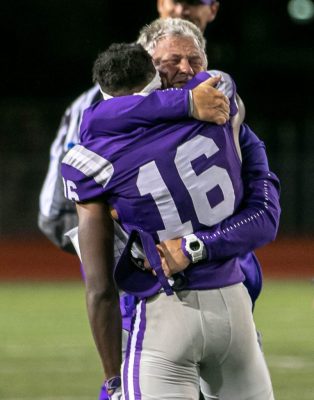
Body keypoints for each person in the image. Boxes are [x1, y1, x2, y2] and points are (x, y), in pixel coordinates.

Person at [61, 38, 278, 399]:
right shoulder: (215, 103)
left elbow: (99, 289)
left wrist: (112, 381)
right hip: (233, 307)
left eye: (192, 60)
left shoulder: (92, 154)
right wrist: (188, 101)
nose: (184, 70)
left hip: (165, 311)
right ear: (155, 77)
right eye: (171, 62)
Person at [38, 0, 222, 253]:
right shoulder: (109, 93)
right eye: (175, 1)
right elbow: (73, 182)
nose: (182, 10)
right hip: (91, 216)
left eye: (192, 2)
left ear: (212, 9)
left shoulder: (208, 83)